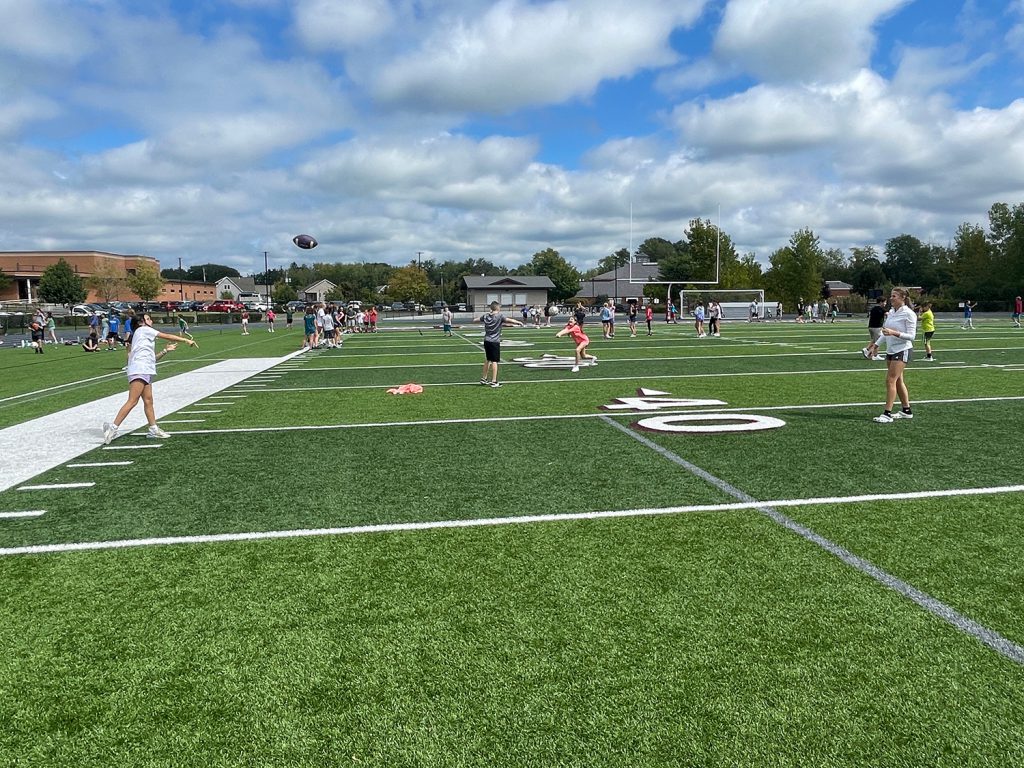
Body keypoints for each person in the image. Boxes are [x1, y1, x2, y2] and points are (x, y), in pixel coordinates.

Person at [101, 313, 199, 444]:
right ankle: (112, 429)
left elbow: (152, 359)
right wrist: (186, 340)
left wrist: (166, 351)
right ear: (141, 322)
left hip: (145, 370)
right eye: (148, 319)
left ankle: (153, 429)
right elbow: (167, 336)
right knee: (132, 401)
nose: (151, 320)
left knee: (148, 400)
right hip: (139, 370)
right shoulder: (144, 330)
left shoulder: (142, 336)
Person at [862, 287, 917, 423]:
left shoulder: (909, 314)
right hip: (891, 350)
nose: (891, 298)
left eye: (894, 296)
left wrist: (895, 333)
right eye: (891, 296)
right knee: (898, 381)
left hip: (902, 349)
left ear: (903, 297)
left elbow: (912, 336)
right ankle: (906, 410)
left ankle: (887, 414)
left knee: (890, 380)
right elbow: (885, 331)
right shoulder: (892, 312)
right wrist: (875, 345)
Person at [478, 301, 523, 388]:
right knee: (494, 361)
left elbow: (475, 320)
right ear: (497, 308)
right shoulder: (500, 316)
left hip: (486, 340)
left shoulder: (486, 316)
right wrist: (518, 322)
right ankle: (494, 381)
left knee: (487, 359)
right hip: (494, 341)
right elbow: (510, 320)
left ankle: (484, 378)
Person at [865, 297, 886, 361]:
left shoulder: (873, 308)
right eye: (884, 302)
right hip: (876, 327)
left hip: (871, 327)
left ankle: (867, 350)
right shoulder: (880, 309)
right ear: (881, 302)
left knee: (874, 340)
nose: (885, 303)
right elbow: (887, 314)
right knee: (878, 341)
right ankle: (875, 355)